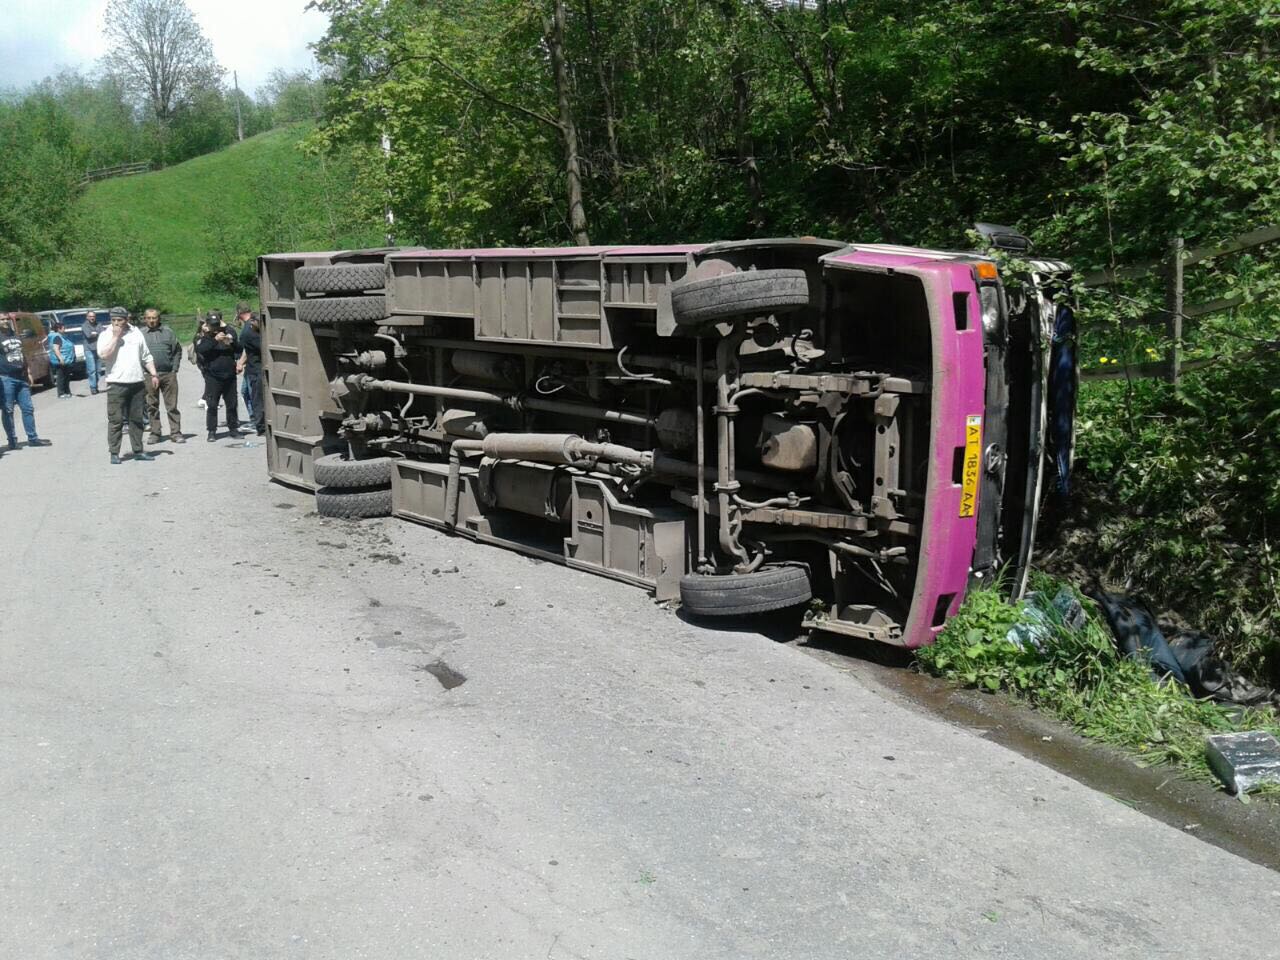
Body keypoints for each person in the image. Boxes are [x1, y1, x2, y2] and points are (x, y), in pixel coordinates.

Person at [97, 307, 160, 464]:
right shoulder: (106, 334)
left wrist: (153, 374)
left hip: (137, 382)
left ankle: (138, 450)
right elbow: (103, 355)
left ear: (126, 319)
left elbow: (146, 355)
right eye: (114, 320)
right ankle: (114, 453)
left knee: (136, 419)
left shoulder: (136, 332)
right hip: (116, 383)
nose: (116, 323)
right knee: (116, 420)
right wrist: (115, 338)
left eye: (120, 320)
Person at [0, 312, 52, 453]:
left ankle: (33, 438)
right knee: (8, 410)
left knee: (28, 408)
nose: (5, 321)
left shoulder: (15, 335)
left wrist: (28, 371)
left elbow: (24, 354)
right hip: (6, 377)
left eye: (6, 319)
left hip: (21, 376)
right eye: (2, 319)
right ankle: (12, 440)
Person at [195, 309, 240, 442]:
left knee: (232, 404)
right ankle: (212, 431)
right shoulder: (205, 337)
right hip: (213, 376)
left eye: (217, 324)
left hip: (229, 375)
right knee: (212, 405)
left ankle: (233, 428)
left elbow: (239, 348)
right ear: (208, 325)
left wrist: (230, 342)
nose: (215, 327)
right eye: (212, 325)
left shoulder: (228, 332)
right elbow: (201, 350)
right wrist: (215, 339)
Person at [141, 308, 184, 443]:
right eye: (149, 318)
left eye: (154, 318)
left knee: (172, 406)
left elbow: (177, 351)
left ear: (159, 318)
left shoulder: (168, 332)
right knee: (152, 405)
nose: (152, 320)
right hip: (148, 375)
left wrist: (174, 369)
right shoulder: (140, 334)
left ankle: (175, 433)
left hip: (168, 374)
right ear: (145, 319)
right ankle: (155, 433)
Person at [236, 304, 265, 436]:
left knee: (255, 397)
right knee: (253, 396)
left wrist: (240, 362)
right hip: (255, 369)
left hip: (255, 369)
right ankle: (259, 425)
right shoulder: (251, 333)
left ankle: (259, 424)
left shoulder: (249, 331)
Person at [236, 302, 256, 421]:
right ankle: (253, 418)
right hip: (249, 365)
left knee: (250, 393)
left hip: (252, 365)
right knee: (245, 391)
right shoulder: (250, 324)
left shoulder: (249, 326)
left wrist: (240, 363)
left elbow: (248, 349)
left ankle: (255, 419)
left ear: (239, 312)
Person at [46, 321, 75, 398]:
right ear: (58, 329)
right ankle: (61, 393)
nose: (64, 329)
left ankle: (67, 392)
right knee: (61, 377)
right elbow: (56, 349)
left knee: (66, 376)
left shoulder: (62, 336)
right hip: (61, 361)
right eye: (63, 327)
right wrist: (60, 359)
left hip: (66, 360)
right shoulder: (57, 337)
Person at [81, 310, 103, 394]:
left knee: (98, 370)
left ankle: (95, 385)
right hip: (89, 349)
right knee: (92, 370)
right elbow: (88, 335)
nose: (92, 318)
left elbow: (103, 333)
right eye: (90, 316)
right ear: (87, 317)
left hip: (98, 349)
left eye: (93, 316)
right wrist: (97, 333)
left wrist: (95, 333)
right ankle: (93, 387)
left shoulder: (99, 324)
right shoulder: (84, 325)